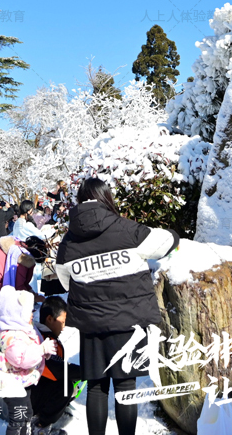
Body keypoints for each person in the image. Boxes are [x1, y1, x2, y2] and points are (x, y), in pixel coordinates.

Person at [53, 178, 178, 435]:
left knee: (96, 387)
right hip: (127, 321)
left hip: (92, 324)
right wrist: (175, 236)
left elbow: (66, 282)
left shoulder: (69, 242)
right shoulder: (127, 230)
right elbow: (166, 242)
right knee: (125, 386)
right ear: (106, 197)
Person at [0, 286, 59, 435]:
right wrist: (41, 350)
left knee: (26, 413)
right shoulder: (13, 338)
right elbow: (22, 359)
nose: (32, 314)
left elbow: (30, 350)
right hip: (12, 385)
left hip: (20, 381)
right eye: (28, 312)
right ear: (16, 315)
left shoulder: (22, 331)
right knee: (18, 419)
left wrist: (44, 353)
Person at [30, 295, 84, 431]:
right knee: (65, 387)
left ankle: (47, 418)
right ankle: (40, 425)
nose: (63, 327)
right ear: (49, 319)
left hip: (35, 392)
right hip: (30, 396)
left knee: (68, 385)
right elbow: (56, 370)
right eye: (62, 321)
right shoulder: (42, 339)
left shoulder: (45, 335)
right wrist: (86, 371)